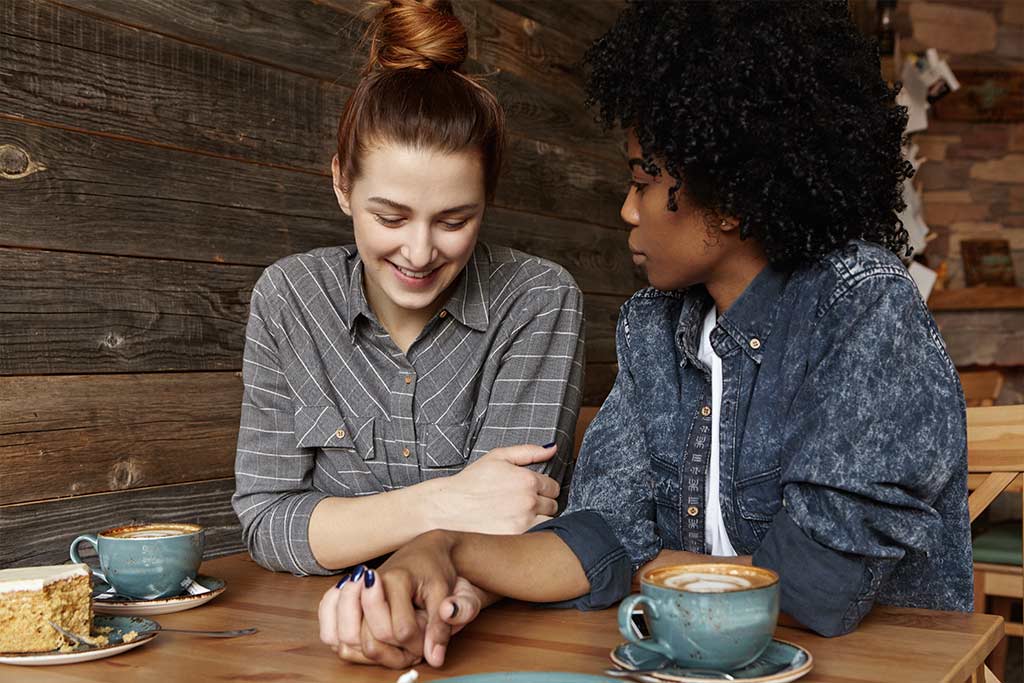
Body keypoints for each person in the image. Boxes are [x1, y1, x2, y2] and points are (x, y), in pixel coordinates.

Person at [318, 0, 972, 670]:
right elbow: (595, 536)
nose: (627, 208)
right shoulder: (653, 325)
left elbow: (817, 589)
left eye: (643, 179)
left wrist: (626, 563)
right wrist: (443, 547)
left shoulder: (859, 305)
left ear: (735, 199)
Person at [231, 0, 585, 590]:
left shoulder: (538, 298)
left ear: (487, 199)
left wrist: (347, 524)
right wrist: (443, 503)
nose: (419, 254)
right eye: (390, 218)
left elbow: (512, 516)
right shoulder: (289, 297)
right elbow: (267, 521)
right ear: (342, 183)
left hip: (480, 624)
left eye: (453, 221)